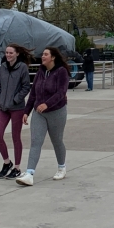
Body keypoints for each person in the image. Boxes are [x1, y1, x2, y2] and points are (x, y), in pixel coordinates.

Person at [16, 47, 69, 186]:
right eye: (43, 54)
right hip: (39, 113)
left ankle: (62, 167)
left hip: (57, 112)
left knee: (57, 141)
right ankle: (29, 174)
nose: (43, 56)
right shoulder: (40, 71)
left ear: (53, 57)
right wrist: (26, 111)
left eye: (46, 54)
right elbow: (33, 93)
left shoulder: (61, 72)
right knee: (35, 142)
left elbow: (61, 92)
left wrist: (47, 104)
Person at [0, 43, 31, 179]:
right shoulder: (3, 67)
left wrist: (16, 99)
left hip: (17, 108)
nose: (8, 55)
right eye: (6, 53)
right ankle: (7, 162)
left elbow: (26, 87)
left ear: (17, 54)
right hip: (3, 107)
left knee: (16, 137)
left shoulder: (22, 68)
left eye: (11, 53)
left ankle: (17, 167)